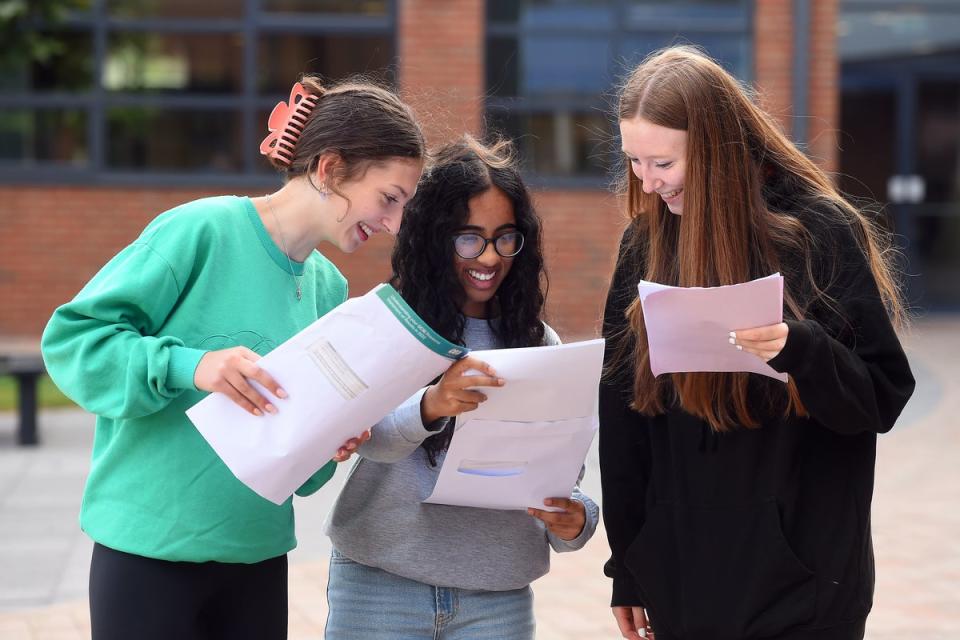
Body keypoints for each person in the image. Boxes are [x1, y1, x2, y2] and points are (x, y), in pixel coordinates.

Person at [40, 76, 425, 640]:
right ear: (330, 168)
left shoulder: (328, 289)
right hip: (147, 558)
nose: (393, 224)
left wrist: (332, 438)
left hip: (257, 562)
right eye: (389, 199)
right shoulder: (201, 230)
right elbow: (74, 340)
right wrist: (192, 366)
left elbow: (297, 464)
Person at [598, 46, 916, 640]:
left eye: (662, 162)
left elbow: (880, 398)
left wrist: (800, 349)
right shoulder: (644, 245)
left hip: (806, 587)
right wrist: (629, 567)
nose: (646, 182)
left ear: (716, 151)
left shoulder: (819, 230)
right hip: (683, 580)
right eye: (633, 161)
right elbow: (622, 420)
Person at [323, 135, 600, 640]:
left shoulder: (539, 343)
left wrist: (578, 519)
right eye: (468, 238)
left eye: (505, 237)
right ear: (434, 238)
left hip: (498, 596)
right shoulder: (388, 321)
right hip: (380, 583)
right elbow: (369, 439)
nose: (489, 257)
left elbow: (561, 471)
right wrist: (433, 403)